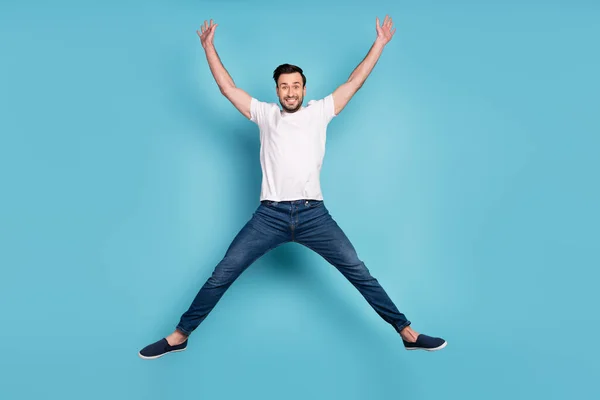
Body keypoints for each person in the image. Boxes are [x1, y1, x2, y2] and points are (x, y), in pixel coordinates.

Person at [139, 15, 446, 360]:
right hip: (269, 216)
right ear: (277, 91)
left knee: (359, 272)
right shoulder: (265, 114)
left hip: (315, 216)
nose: (290, 91)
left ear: (304, 88)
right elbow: (227, 88)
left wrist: (379, 44)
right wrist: (209, 47)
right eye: (284, 86)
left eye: (296, 85)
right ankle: (180, 335)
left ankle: (407, 332)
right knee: (222, 273)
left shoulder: (320, 112)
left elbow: (354, 82)